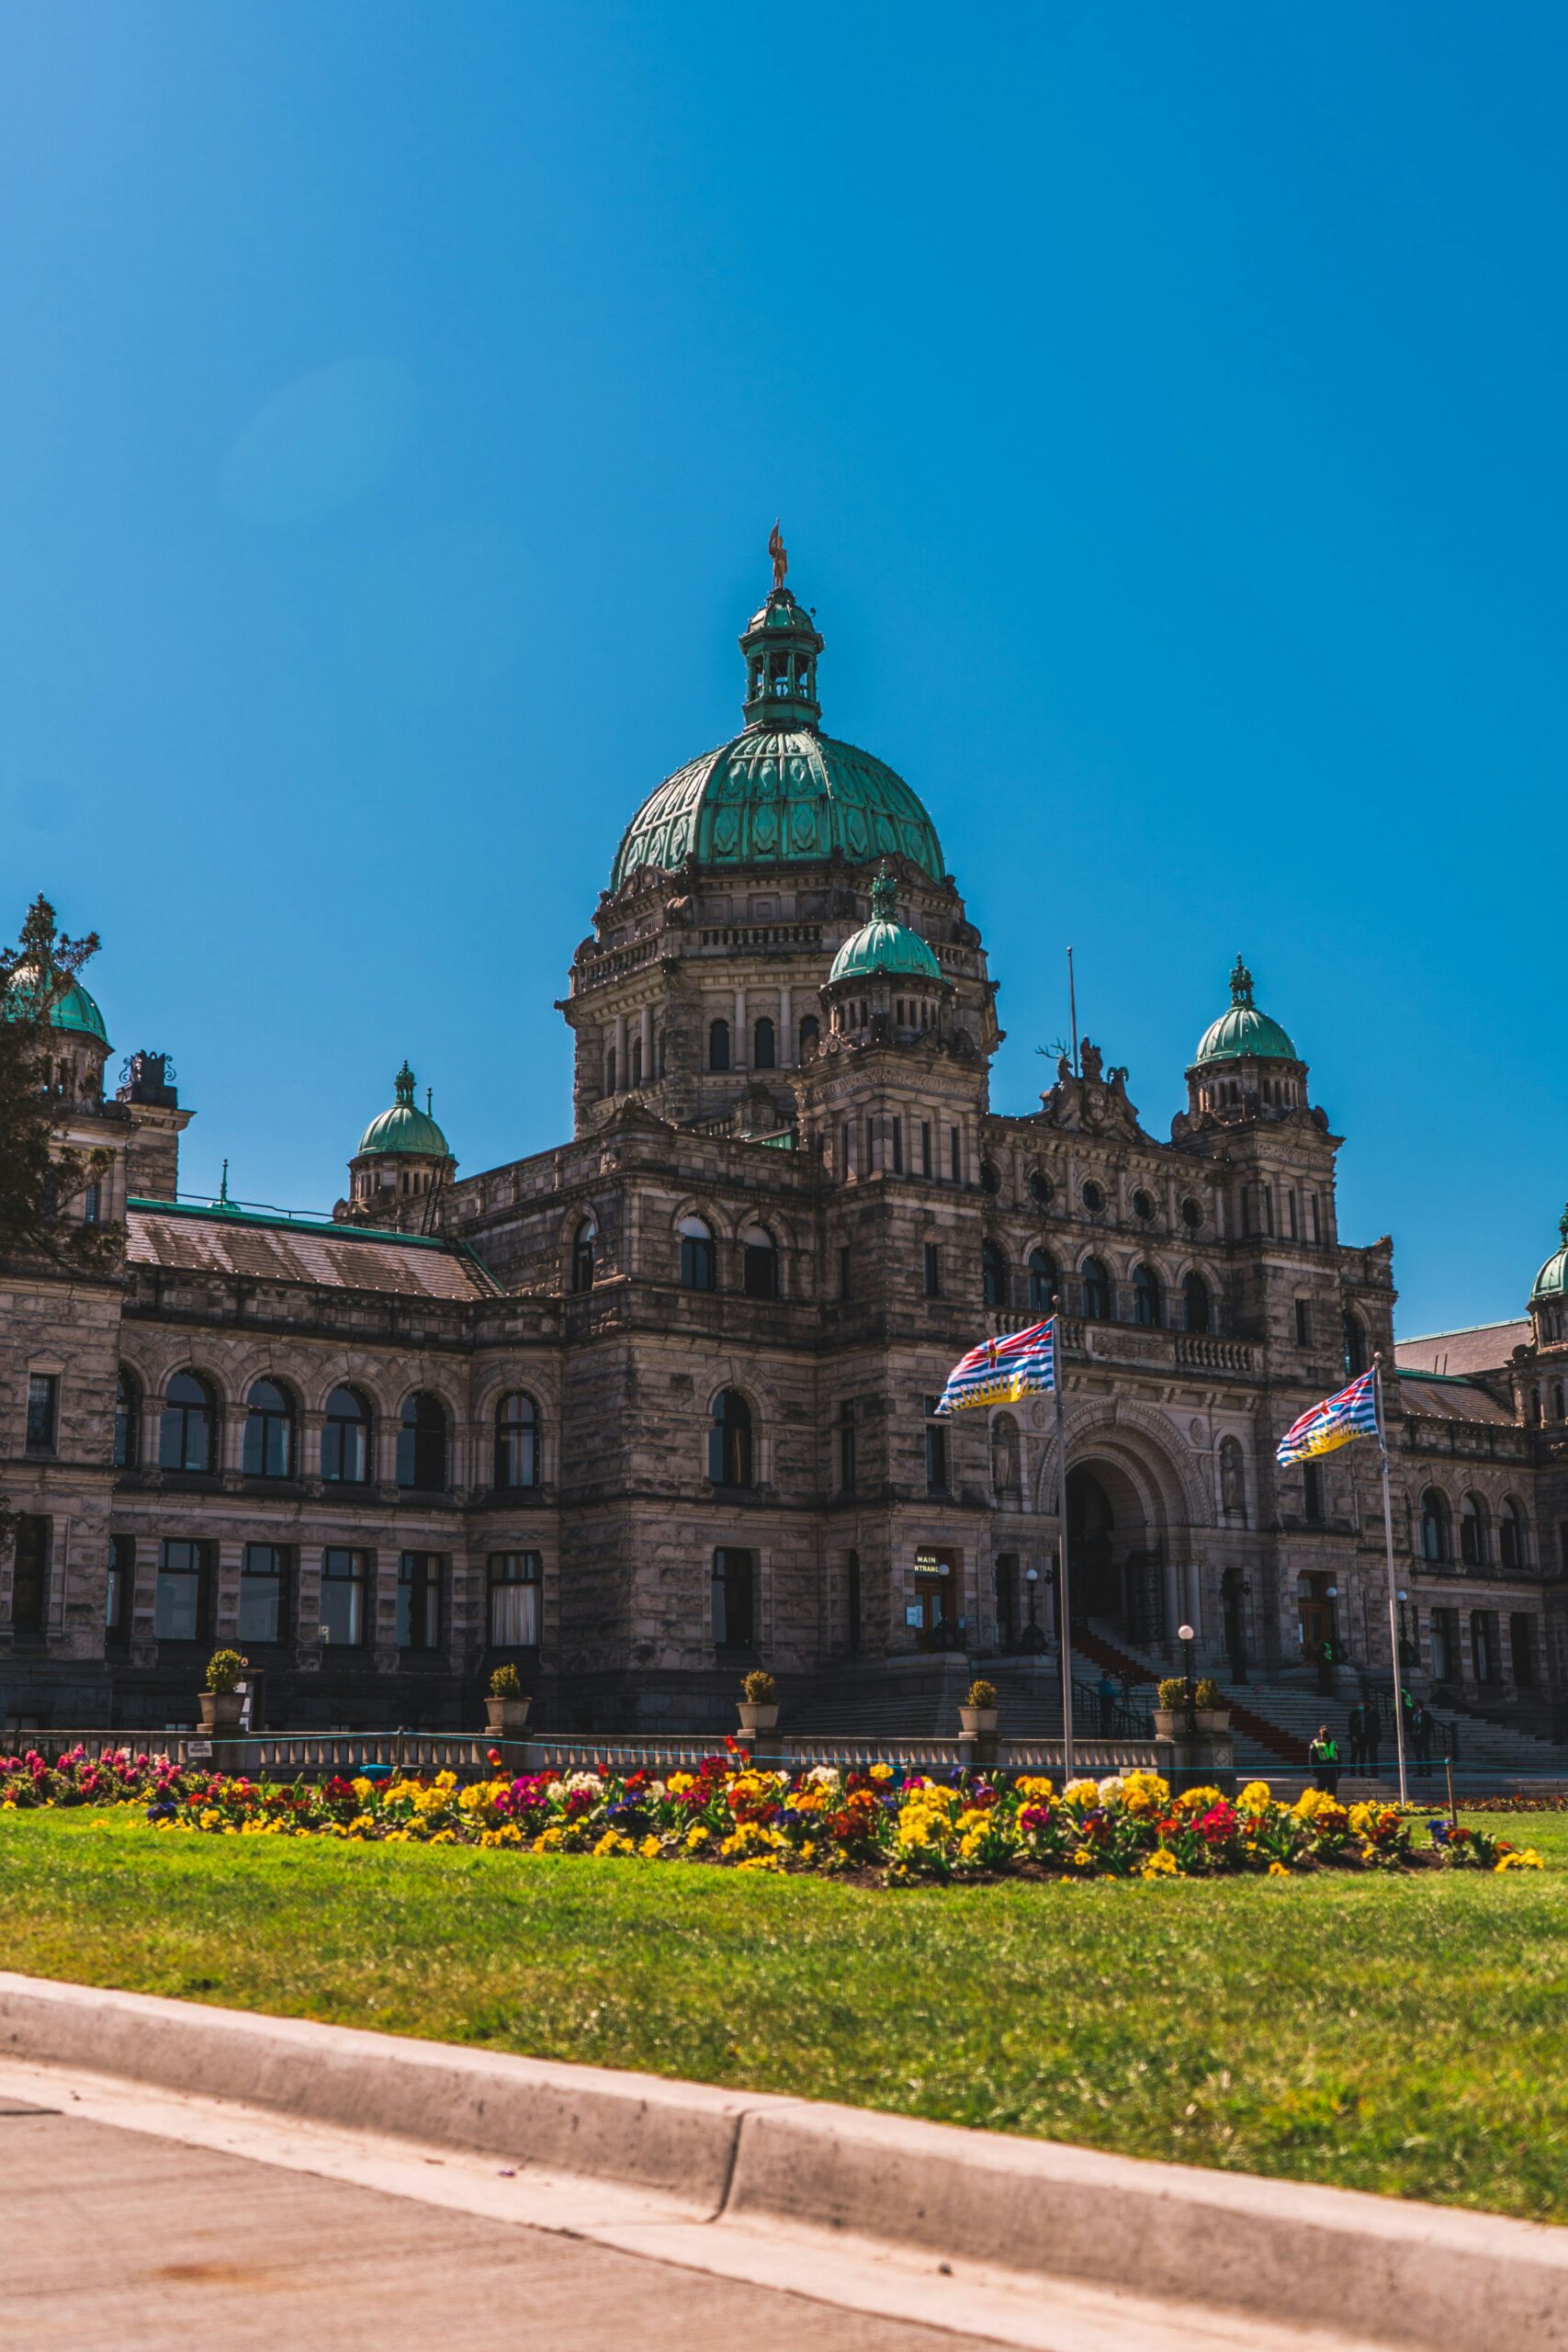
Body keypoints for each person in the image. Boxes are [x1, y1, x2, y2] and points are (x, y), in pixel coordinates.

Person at [1308, 1724, 1341, 1795]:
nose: (1326, 1732)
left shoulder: (1333, 1743)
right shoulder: (1315, 1742)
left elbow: (1338, 1757)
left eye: (1327, 1731)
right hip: (1321, 1773)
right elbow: (1311, 1758)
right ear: (1320, 1731)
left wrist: (1339, 1771)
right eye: (1324, 1731)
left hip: (1332, 1773)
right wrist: (1313, 1771)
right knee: (1320, 1795)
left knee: (1332, 1795)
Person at [1347, 1698, 1368, 1774]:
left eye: (1362, 1704)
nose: (1361, 1706)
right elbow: (1351, 1725)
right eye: (1360, 1704)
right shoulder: (1354, 1713)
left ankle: (1362, 1771)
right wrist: (1353, 1735)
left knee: (1363, 1754)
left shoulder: (1366, 1713)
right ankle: (1352, 1770)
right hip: (1356, 1736)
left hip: (1363, 1736)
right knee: (1354, 1754)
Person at [1411, 1701, 1432, 1774]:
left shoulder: (1426, 1714)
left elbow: (1430, 1725)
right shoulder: (1414, 1714)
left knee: (1426, 1754)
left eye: (1416, 1706)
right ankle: (1420, 1771)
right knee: (1418, 1755)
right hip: (1416, 1737)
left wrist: (1427, 1735)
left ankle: (1428, 1772)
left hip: (1424, 1737)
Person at [1097, 1670, 1117, 1736]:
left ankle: (1105, 1733)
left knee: (1107, 1719)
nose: (1112, 1676)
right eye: (1110, 1675)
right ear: (1108, 1676)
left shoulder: (1105, 1683)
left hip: (1107, 1703)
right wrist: (1119, 1694)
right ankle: (1105, 1733)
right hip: (1106, 1703)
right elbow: (1110, 1693)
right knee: (1106, 1719)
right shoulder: (1104, 1683)